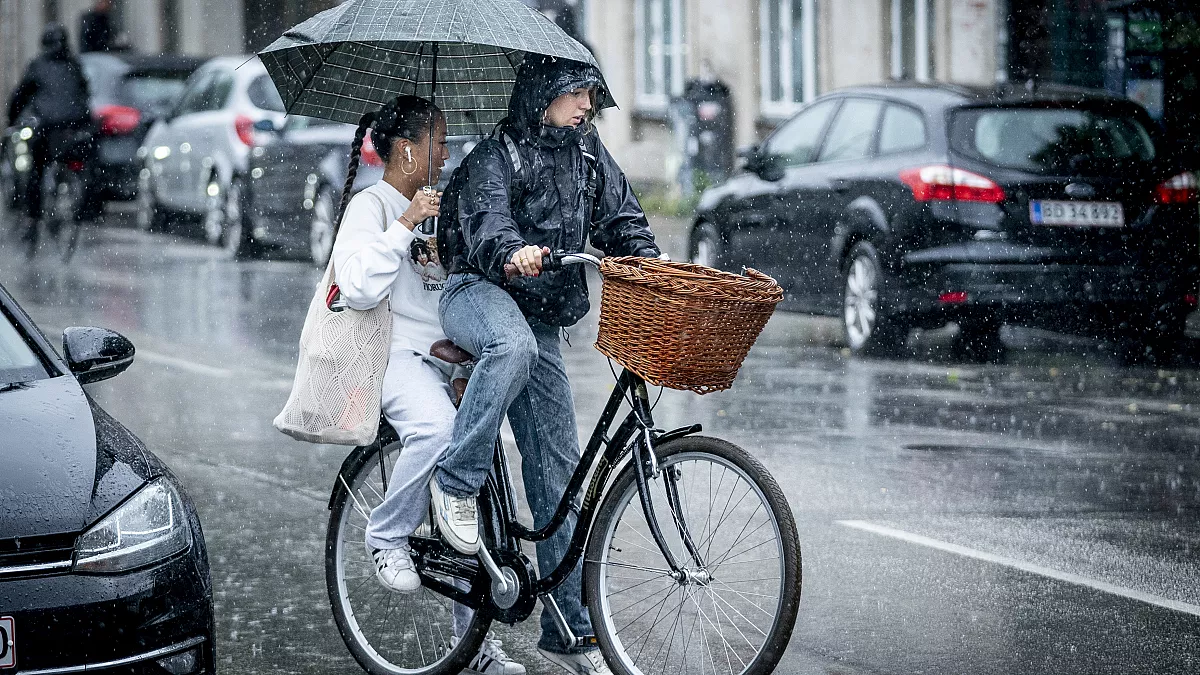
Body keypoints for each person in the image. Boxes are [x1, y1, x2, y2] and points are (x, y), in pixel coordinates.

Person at [433, 55, 660, 675]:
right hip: (477, 292)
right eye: (578, 92)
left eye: (591, 92)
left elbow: (622, 219)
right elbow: (486, 226)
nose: (588, 104)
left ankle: (571, 635)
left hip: (539, 315)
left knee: (559, 475)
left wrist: (651, 262)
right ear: (544, 95)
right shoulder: (496, 156)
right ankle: (453, 485)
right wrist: (514, 252)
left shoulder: (587, 155)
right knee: (513, 348)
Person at [329, 95, 525, 675]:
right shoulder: (372, 205)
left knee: (478, 498)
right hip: (391, 355)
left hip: (443, 356)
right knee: (438, 429)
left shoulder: (440, 204)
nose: (446, 151)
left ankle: (475, 650)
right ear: (409, 148)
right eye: (438, 140)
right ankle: (386, 535)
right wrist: (406, 225)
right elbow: (358, 285)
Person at [6, 23, 91, 227]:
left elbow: (21, 95)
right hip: (74, 127)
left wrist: (11, 118)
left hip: (47, 127)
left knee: (36, 169)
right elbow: (85, 92)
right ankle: (81, 205)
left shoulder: (38, 65)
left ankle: (33, 219)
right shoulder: (74, 64)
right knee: (79, 163)